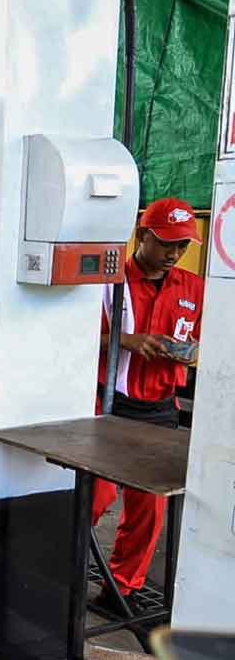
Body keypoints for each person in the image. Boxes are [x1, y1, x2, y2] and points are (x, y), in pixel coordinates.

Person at [92, 196, 204, 614]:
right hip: (109, 406)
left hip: (159, 410)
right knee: (93, 500)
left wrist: (188, 351)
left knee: (148, 510)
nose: (174, 254)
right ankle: (54, 581)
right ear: (142, 236)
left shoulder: (194, 288)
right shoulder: (108, 281)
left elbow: (207, 341)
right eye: (166, 243)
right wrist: (126, 340)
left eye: (182, 246)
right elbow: (72, 336)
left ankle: (119, 590)